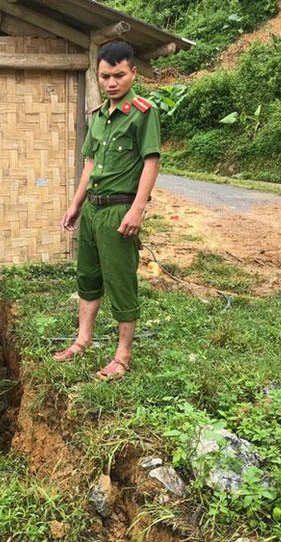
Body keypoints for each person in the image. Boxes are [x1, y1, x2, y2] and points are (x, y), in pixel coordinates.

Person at [54, 41, 161, 380]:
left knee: (120, 280)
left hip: (119, 211)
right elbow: (89, 163)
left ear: (132, 72)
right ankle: (83, 339)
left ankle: (122, 355)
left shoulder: (144, 113)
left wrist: (137, 209)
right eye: (105, 76)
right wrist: (75, 204)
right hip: (93, 211)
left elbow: (151, 161)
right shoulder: (97, 118)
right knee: (87, 276)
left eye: (118, 75)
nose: (111, 82)